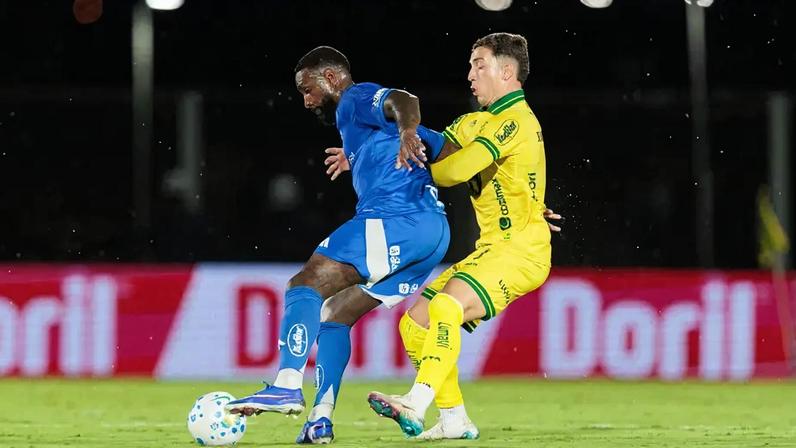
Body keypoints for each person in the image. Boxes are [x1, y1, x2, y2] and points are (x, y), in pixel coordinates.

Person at [225, 46, 451, 444]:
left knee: (305, 283)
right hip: (431, 235)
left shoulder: (353, 98)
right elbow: (447, 149)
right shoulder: (365, 129)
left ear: (330, 77)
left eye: (307, 89)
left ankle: (286, 384)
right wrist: (362, 155)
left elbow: (404, 100)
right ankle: (320, 419)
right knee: (334, 315)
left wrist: (407, 128)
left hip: (395, 220)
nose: (307, 100)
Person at [366, 32, 553, 440]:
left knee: (447, 307)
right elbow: (434, 144)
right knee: (414, 324)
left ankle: (416, 401)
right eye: (470, 65)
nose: (470, 74)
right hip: (493, 249)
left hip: (522, 252)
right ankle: (453, 419)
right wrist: (367, 150)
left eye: (479, 65)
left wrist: (414, 173)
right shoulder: (476, 121)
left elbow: (452, 171)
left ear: (507, 71)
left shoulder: (515, 120)